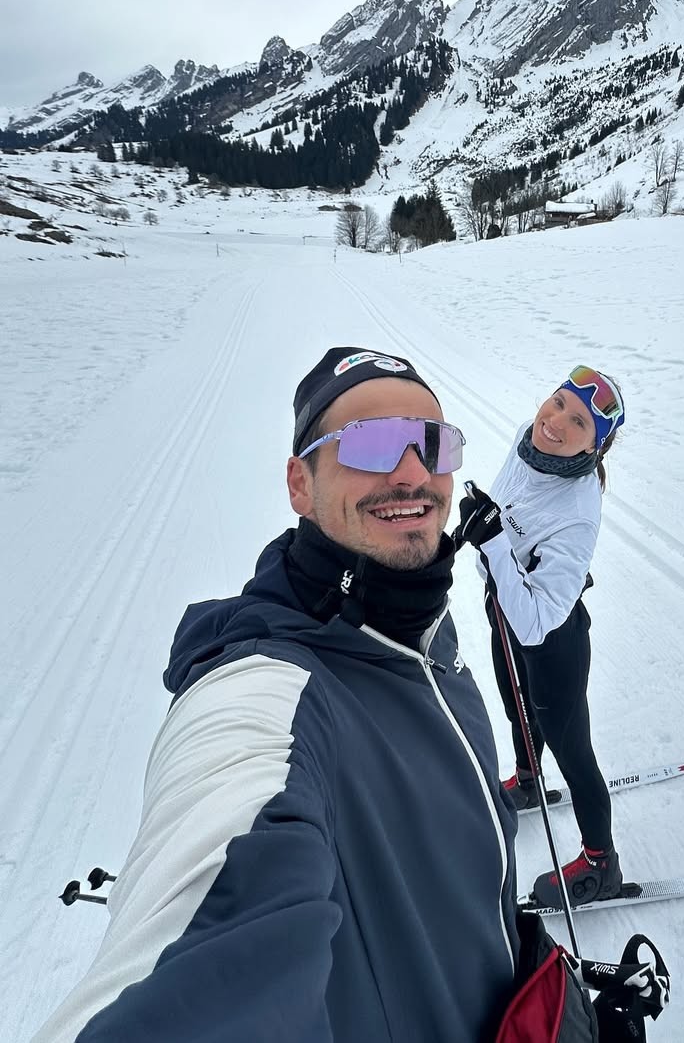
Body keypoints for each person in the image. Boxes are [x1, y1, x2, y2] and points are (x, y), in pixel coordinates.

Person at [33, 347, 520, 1043]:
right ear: (300, 484)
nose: (413, 472)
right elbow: (213, 908)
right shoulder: (269, 695)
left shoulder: (419, 628)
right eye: (372, 444)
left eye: (432, 444)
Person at [455, 365, 626, 910]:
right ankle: (528, 779)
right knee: (515, 704)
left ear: (595, 447)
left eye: (576, 421)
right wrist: (478, 524)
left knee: (572, 747)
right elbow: (506, 508)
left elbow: (538, 622)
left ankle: (602, 864)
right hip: (502, 609)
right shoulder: (529, 442)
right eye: (556, 403)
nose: (554, 422)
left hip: (552, 637)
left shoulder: (578, 513)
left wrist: (497, 544)